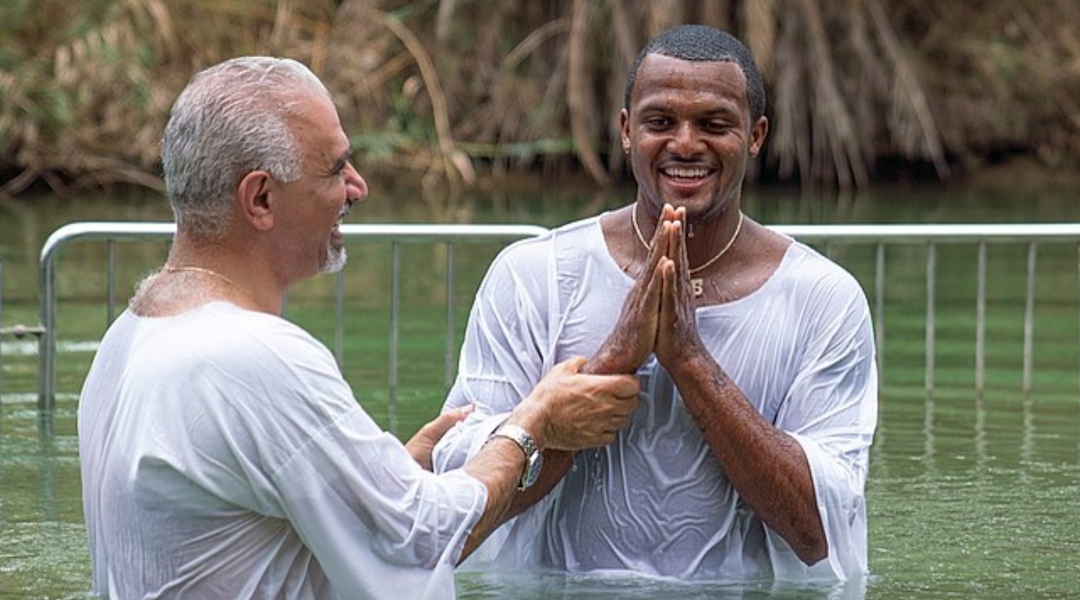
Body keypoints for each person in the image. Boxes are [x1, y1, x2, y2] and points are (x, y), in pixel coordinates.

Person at [76, 56, 640, 600]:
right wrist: (532, 426)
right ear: (261, 198)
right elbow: (419, 539)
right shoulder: (252, 355)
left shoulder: (128, 336)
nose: (358, 186)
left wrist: (393, 472)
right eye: (335, 168)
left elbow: (252, 529)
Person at [433, 24, 878, 581]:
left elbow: (822, 530)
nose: (686, 144)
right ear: (625, 129)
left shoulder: (823, 298)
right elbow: (459, 495)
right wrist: (618, 356)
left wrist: (689, 360)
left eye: (715, 124)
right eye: (660, 122)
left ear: (757, 135)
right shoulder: (534, 275)